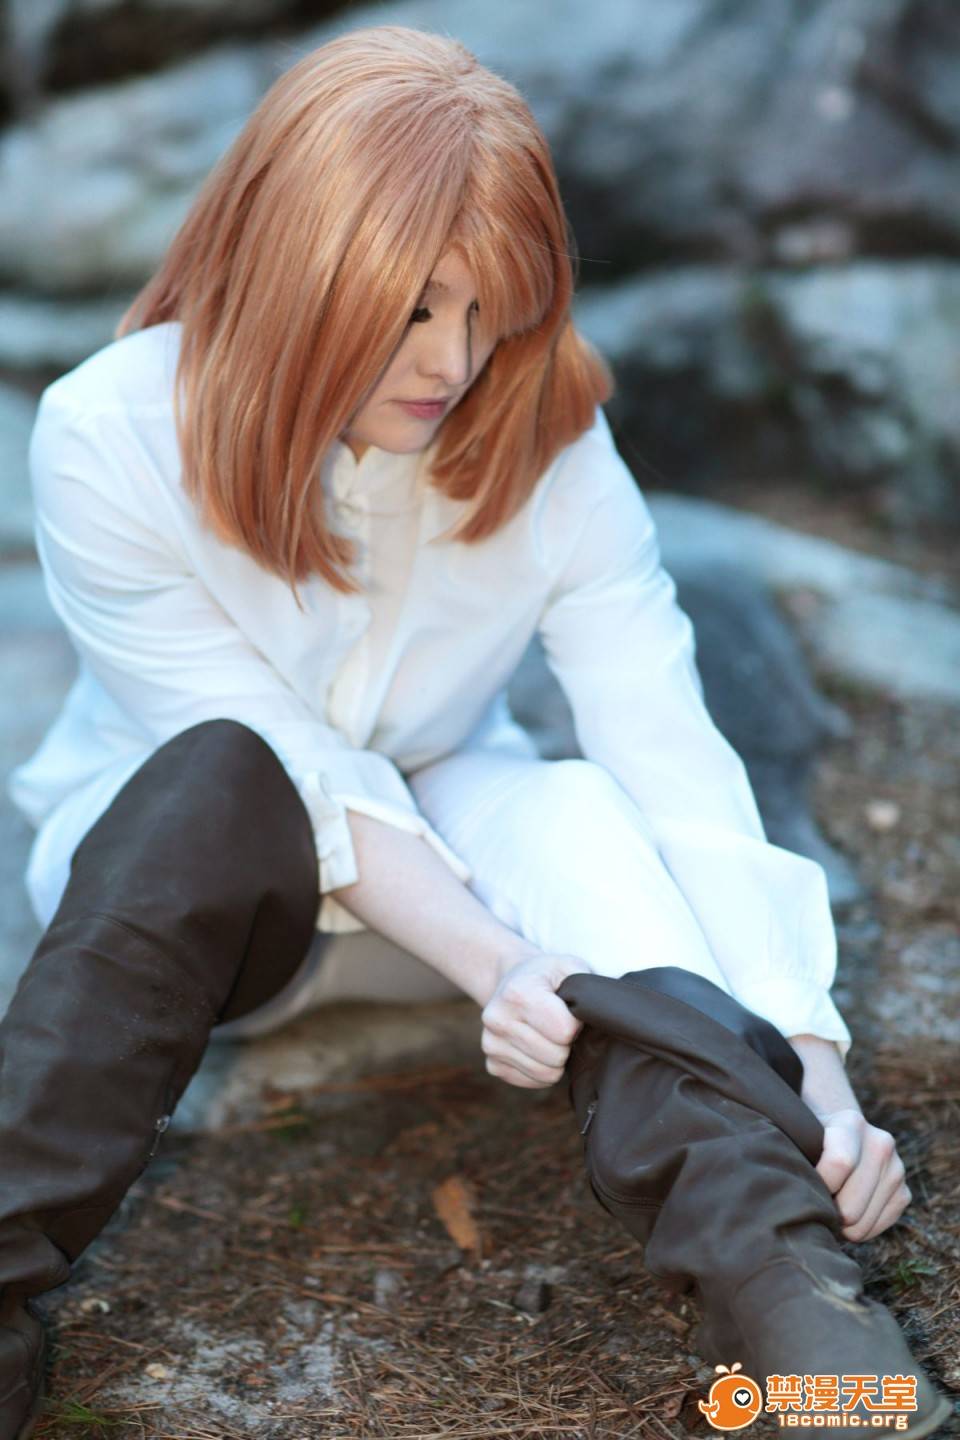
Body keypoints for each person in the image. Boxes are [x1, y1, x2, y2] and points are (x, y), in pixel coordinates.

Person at [1, 24, 951, 1439]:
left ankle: (806, 1330)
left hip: (463, 840)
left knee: (576, 811)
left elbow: (667, 749)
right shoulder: (108, 433)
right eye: (410, 310)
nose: (452, 360)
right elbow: (292, 769)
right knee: (214, 780)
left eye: (486, 308)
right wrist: (498, 965)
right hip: (216, 913)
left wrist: (806, 1055)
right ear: (297, 267)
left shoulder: (547, 440)